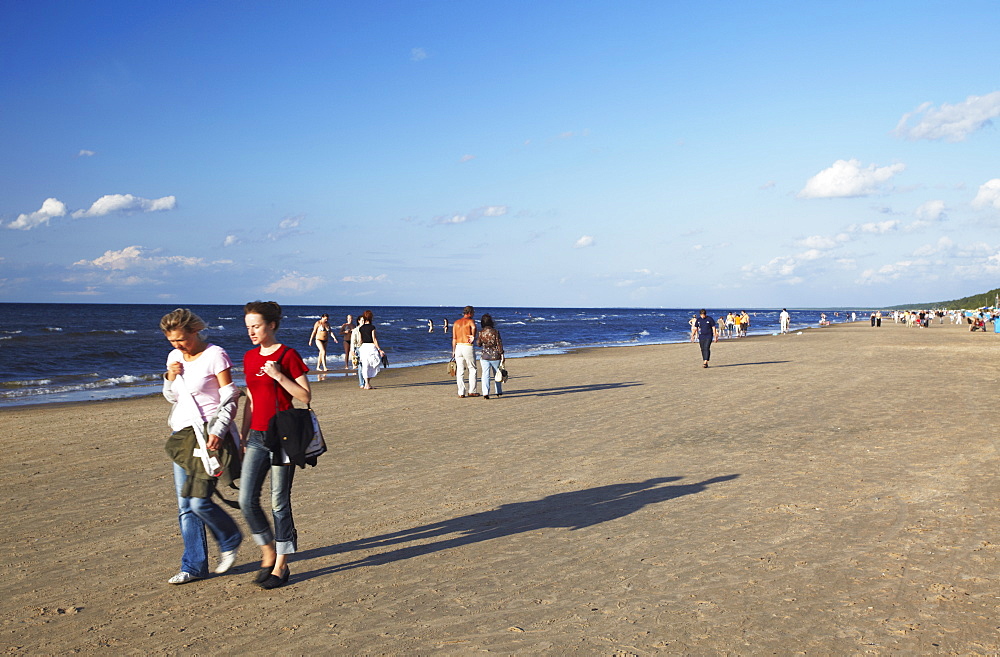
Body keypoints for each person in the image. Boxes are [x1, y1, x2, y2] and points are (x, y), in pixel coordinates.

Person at [160, 308, 242, 585]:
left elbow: (231, 395)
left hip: (209, 434)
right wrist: (170, 377)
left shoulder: (215, 355)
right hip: (183, 436)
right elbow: (172, 397)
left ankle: (230, 537)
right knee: (185, 504)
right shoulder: (174, 357)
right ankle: (194, 566)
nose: (177, 346)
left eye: (182, 339)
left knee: (198, 500)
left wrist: (219, 430)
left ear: (195, 331)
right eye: (172, 341)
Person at [240, 300, 311, 589]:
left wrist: (279, 375)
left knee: (279, 502)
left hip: (283, 437)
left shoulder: (288, 355)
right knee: (246, 500)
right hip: (257, 436)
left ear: (271, 325)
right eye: (248, 327)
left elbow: (305, 396)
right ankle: (268, 550)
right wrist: (242, 434)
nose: (251, 332)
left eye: (256, 326)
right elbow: (251, 399)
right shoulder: (248, 357)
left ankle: (282, 565)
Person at [354, 310, 385, 390]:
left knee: (365, 365)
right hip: (371, 346)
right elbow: (374, 339)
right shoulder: (372, 327)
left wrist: (356, 349)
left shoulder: (361, 328)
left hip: (363, 347)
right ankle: (367, 383)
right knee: (374, 363)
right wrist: (379, 349)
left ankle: (367, 384)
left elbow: (360, 340)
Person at [452, 306, 478, 398]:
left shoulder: (456, 323)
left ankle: (461, 392)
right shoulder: (471, 321)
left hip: (458, 346)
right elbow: (474, 327)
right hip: (467, 346)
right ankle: (472, 390)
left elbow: (454, 338)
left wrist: (453, 350)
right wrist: (473, 336)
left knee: (460, 370)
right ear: (470, 312)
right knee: (472, 368)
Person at [477, 313, 504, 399]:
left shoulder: (481, 332)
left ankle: (485, 393)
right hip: (495, 355)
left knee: (485, 374)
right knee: (497, 373)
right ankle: (498, 391)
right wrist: (502, 353)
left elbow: (478, 344)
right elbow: (499, 344)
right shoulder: (495, 332)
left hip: (485, 355)